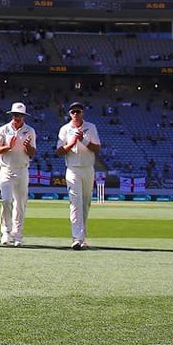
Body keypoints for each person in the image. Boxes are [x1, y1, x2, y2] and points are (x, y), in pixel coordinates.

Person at [56, 101, 101, 250]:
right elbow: (59, 151)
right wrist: (71, 143)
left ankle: (82, 237)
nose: (75, 114)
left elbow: (97, 148)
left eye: (78, 111)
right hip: (73, 169)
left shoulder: (91, 127)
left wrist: (83, 140)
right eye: (73, 112)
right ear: (69, 114)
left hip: (88, 168)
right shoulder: (65, 129)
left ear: (83, 113)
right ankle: (77, 238)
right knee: (75, 203)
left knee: (85, 203)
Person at [0, 102, 37, 247]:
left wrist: (28, 146)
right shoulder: (4, 129)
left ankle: (17, 234)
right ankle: (6, 231)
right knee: (6, 201)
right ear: (11, 115)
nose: (17, 117)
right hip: (6, 169)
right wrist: (8, 146)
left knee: (20, 204)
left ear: (24, 116)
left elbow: (32, 153)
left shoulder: (30, 131)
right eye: (15, 115)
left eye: (20, 115)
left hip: (22, 169)